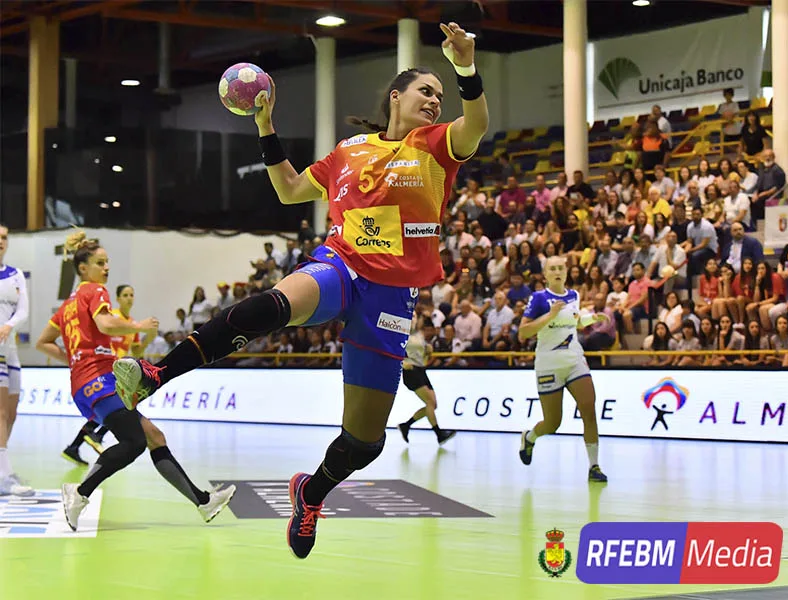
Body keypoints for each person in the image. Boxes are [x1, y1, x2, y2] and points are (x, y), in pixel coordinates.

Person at [111, 22, 488, 559]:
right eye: (426, 90)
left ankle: (310, 494)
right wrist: (265, 124)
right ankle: (156, 374)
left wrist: (465, 67)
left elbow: (477, 123)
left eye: (440, 96)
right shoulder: (349, 150)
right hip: (342, 265)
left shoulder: (437, 145)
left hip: (391, 296)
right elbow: (289, 189)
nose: (435, 101)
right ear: (395, 96)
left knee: (365, 442)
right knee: (274, 305)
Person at [35, 231, 236, 531]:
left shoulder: (66, 307)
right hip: (100, 380)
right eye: (100, 263)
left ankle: (203, 502)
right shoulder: (95, 290)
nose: (106, 268)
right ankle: (79, 492)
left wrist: (75, 361)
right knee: (133, 442)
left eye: (107, 262)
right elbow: (105, 323)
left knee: (154, 436)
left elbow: (42, 342)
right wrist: (138, 326)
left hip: (85, 383)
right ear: (83, 269)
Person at [516, 256, 609, 483]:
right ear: (545, 274)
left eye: (561, 268)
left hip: (575, 361)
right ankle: (530, 437)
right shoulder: (539, 298)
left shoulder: (574, 295)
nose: (557, 272)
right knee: (552, 423)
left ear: (566, 272)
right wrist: (550, 315)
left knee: (589, 410)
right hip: (549, 365)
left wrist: (591, 319)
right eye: (553, 269)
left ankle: (594, 466)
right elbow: (523, 333)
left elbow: (574, 322)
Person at [62, 284, 153, 465]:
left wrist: (149, 336)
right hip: (104, 372)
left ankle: (77, 445)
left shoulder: (131, 324)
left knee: (117, 409)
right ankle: (92, 437)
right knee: (119, 409)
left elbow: (137, 350)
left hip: (119, 373)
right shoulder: (111, 319)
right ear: (118, 299)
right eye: (125, 295)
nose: (129, 298)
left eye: (132, 295)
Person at [0, 224, 33, 496]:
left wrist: (9, 325)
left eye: (3, 237)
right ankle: (4, 475)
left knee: (11, 413)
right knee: (0, 412)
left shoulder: (16, 275)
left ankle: (2, 468)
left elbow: (23, 311)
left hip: (10, 350)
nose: (0, 241)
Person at [397, 316, 456, 445]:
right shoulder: (403, 332)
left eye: (416, 317)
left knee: (433, 404)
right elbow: (394, 350)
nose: (415, 319)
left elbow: (421, 357)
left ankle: (406, 425)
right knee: (430, 402)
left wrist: (427, 351)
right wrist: (402, 363)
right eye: (413, 317)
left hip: (420, 370)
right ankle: (439, 434)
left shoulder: (419, 335)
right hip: (411, 371)